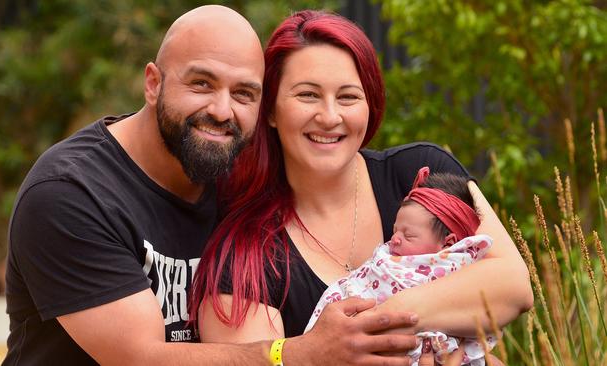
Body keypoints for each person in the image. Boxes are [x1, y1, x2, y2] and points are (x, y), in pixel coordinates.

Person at [3, 5, 420, 366]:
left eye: (243, 93)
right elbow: (140, 358)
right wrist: (297, 353)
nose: (222, 110)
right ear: (153, 83)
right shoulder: (71, 194)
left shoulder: (237, 178)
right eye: (201, 84)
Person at [193, 9, 533, 364]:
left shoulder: (420, 172)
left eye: (348, 97)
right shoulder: (246, 256)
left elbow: (512, 283)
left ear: (370, 105)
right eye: (307, 95)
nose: (329, 116)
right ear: (272, 111)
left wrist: (390, 314)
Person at [305, 167, 496, 365]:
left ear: (447, 243)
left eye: (408, 235)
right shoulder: (384, 262)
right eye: (395, 230)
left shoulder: (465, 270)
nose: (394, 239)